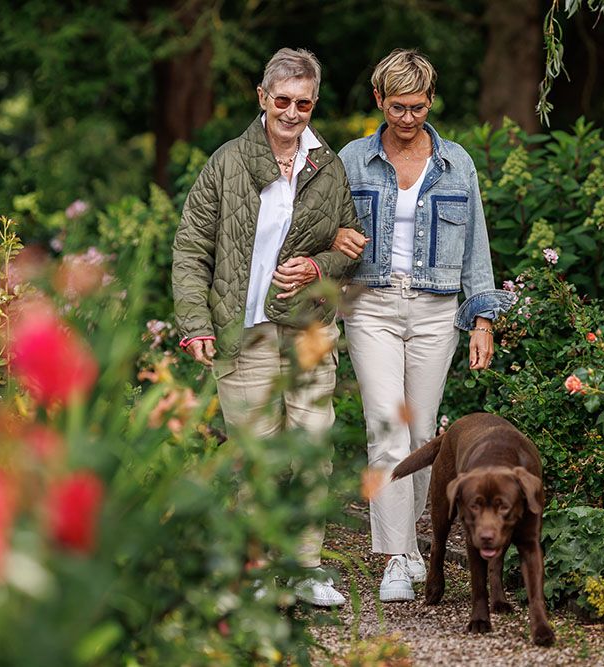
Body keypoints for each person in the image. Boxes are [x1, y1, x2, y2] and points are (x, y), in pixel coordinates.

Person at [172, 48, 362, 607]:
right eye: (282, 100)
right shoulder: (227, 162)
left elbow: (347, 244)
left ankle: (304, 570)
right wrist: (195, 322)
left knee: (311, 449)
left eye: (303, 102)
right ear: (262, 98)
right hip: (243, 329)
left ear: (314, 102)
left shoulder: (327, 164)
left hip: (307, 330)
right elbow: (190, 249)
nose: (292, 112)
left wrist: (319, 266)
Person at [335, 49, 515, 603]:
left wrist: (483, 317)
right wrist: (334, 247)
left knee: (422, 435)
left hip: (437, 310)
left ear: (430, 102)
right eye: (396, 107)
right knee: (387, 428)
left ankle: (413, 547)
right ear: (378, 101)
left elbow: (476, 243)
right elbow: (323, 225)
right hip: (371, 306)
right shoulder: (352, 159)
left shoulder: (456, 162)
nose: (407, 117)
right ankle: (395, 557)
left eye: (417, 106)